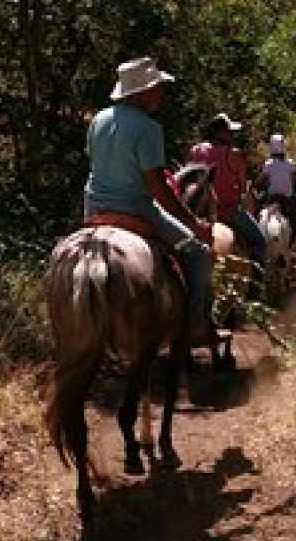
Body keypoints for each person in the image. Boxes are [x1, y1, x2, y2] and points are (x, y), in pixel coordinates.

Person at [82, 56, 218, 344]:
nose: (161, 94)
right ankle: (196, 325)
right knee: (199, 255)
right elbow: (158, 189)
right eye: (157, 88)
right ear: (142, 92)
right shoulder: (148, 128)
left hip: (94, 208)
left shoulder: (97, 120)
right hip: (136, 210)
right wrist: (195, 225)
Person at [188, 113, 266, 268]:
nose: (232, 135)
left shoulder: (195, 151)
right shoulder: (233, 154)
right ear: (220, 133)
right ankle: (257, 278)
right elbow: (243, 189)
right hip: (228, 211)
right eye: (229, 132)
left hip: (200, 212)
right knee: (259, 241)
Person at [255, 134, 296, 240]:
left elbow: (260, 180)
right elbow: (294, 181)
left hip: (271, 196)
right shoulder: (291, 164)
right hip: (287, 196)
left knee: (255, 210)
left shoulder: (268, 164)